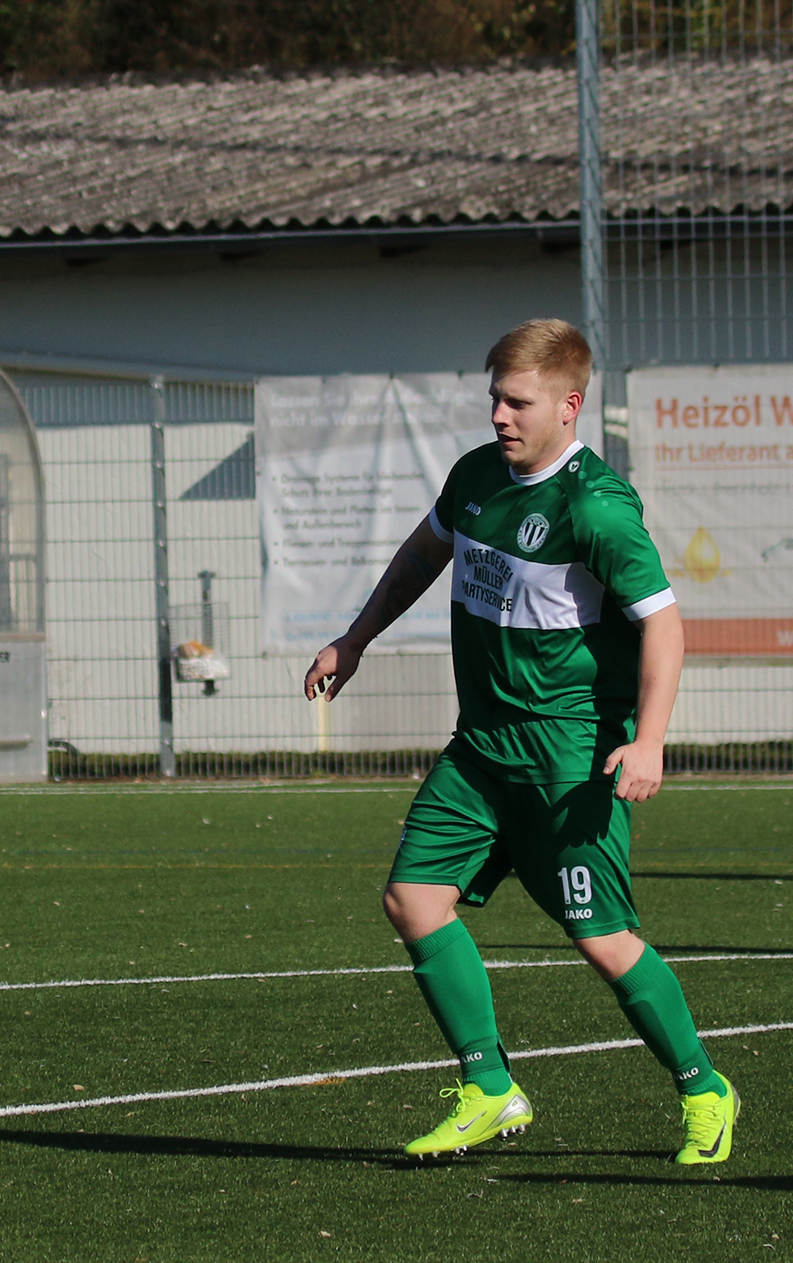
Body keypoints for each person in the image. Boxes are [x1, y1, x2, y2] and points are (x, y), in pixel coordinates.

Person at [304, 318, 738, 1162]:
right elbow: (421, 555)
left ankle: (704, 1088)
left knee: (602, 938)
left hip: (567, 756)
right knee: (413, 899)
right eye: (495, 398)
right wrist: (354, 639)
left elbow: (664, 624)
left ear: (569, 406)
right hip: (481, 747)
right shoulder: (475, 475)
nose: (501, 415)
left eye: (519, 402)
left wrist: (649, 739)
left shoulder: (594, 506)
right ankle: (489, 1087)